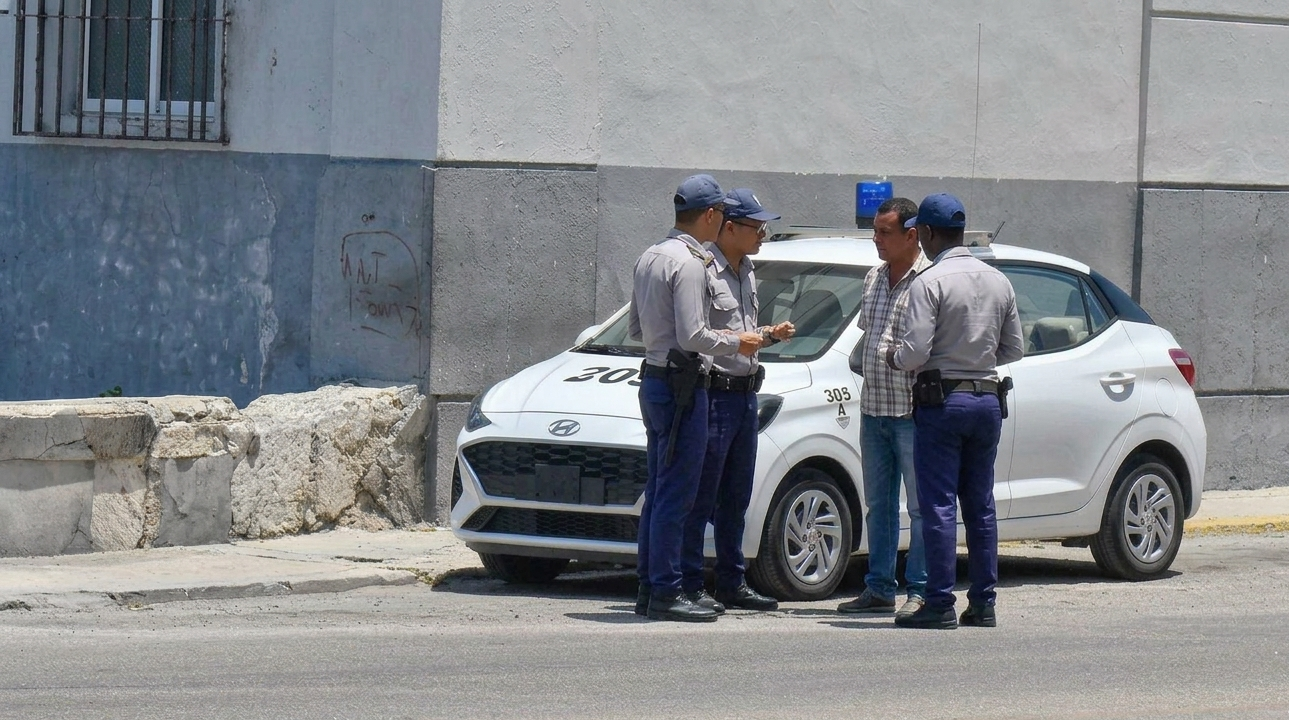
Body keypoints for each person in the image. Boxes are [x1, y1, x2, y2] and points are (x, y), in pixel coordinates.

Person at [628, 174, 763, 623]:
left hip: (656, 375)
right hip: (682, 381)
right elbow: (693, 335)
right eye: (721, 213)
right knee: (676, 493)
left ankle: (651, 586)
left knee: (661, 486)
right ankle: (666, 588)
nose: (723, 220)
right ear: (709, 215)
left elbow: (636, 328)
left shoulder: (651, 255)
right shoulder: (689, 262)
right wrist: (736, 342)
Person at [885, 193, 1024, 630]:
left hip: (942, 402)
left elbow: (913, 354)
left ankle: (940, 601)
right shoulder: (998, 280)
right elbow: (1014, 348)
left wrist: (890, 356)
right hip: (986, 399)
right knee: (980, 505)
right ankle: (983, 603)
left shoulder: (931, 281)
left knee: (940, 504)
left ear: (925, 233)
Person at [680, 188, 794, 614]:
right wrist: (739, 341)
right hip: (714, 395)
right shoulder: (703, 270)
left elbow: (738, 332)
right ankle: (690, 582)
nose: (763, 233)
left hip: (746, 396)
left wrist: (766, 334)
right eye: (756, 225)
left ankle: (732, 580)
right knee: (700, 495)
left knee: (736, 498)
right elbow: (699, 336)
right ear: (729, 226)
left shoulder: (747, 269)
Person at [836, 197, 931, 620]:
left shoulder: (929, 280)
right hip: (874, 408)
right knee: (879, 503)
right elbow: (866, 339)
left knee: (922, 505)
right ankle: (879, 587)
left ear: (912, 235)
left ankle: (923, 589)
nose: (876, 240)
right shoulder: (874, 277)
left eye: (885, 233)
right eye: (874, 231)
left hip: (913, 412)